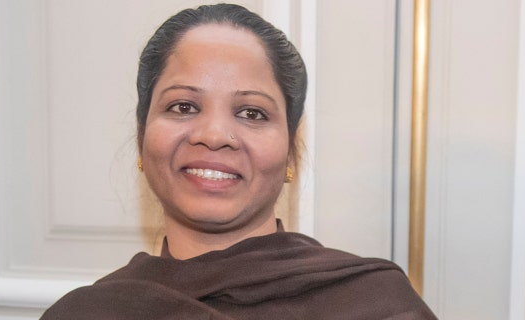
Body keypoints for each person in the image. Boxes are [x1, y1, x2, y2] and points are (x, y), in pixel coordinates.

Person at [41, 3, 437, 319]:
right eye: (183, 106)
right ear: (143, 136)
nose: (213, 135)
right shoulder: (87, 313)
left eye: (252, 113)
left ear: (290, 153)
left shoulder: (375, 305)